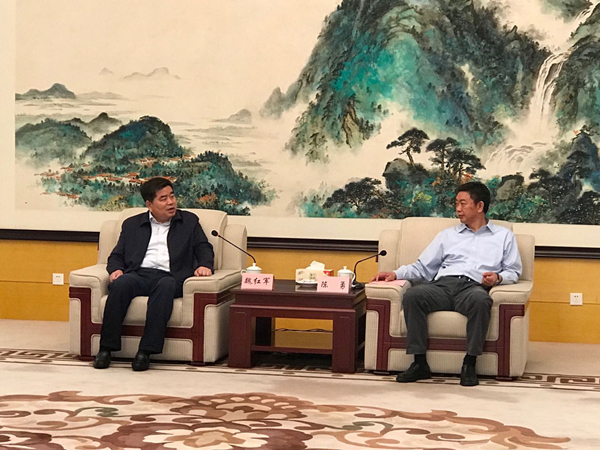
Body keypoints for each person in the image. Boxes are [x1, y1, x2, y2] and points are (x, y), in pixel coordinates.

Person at [371, 181, 522, 386]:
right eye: (456, 203)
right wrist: (395, 273)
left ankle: (470, 363)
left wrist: (498, 278)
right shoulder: (447, 236)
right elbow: (422, 268)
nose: (457, 209)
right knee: (413, 296)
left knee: (481, 301)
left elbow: (514, 271)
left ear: (480, 206)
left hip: (473, 288)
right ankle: (419, 363)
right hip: (442, 286)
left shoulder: (504, 236)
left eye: (463, 203)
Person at [93, 177, 214, 371]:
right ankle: (106, 349)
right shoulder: (132, 224)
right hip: (139, 274)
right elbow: (117, 255)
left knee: (165, 287)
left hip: (171, 276)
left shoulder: (189, 221)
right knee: (121, 284)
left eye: (172, 196)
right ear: (149, 204)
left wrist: (205, 265)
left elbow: (203, 247)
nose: (171, 202)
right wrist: (116, 270)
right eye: (163, 199)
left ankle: (145, 352)